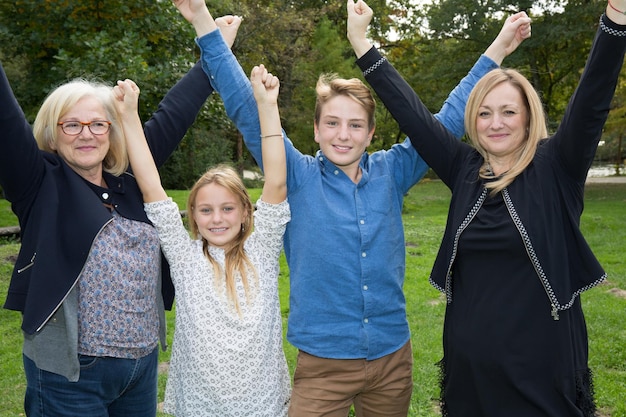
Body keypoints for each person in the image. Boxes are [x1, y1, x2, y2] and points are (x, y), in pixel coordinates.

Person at [186, 0, 530, 414]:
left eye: (355, 125)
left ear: (370, 133)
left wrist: (498, 49)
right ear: (316, 130)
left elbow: (450, 117)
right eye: (332, 123)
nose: (342, 135)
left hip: (391, 361)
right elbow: (246, 108)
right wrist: (203, 22)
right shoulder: (295, 175)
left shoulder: (394, 170)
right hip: (322, 366)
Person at [347, 0, 626, 415]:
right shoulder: (462, 168)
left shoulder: (557, 166)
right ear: (472, 121)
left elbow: (593, 98)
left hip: (543, 369)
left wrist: (616, 19)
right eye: (484, 113)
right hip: (470, 372)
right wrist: (361, 43)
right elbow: (413, 115)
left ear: (529, 118)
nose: (496, 123)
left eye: (508, 111)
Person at [0, 9, 236, 416]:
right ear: (53, 134)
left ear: (113, 131)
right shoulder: (38, 182)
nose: (87, 133)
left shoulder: (132, 178)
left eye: (98, 124)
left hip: (140, 370)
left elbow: (175, 113)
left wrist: (216, 48)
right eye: (71, 125)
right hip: (69, 376)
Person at [116, 44, 291, 417]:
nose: (217, 219)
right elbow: (150, 185)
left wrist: (267, 106)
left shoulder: (261, 249)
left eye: (227, 208)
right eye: (206, 210)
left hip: (262, 403)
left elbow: (276, 182)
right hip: (199, 404)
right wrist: (129, 116)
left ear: (246, 212)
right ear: (192, 215)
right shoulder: (183, 255)